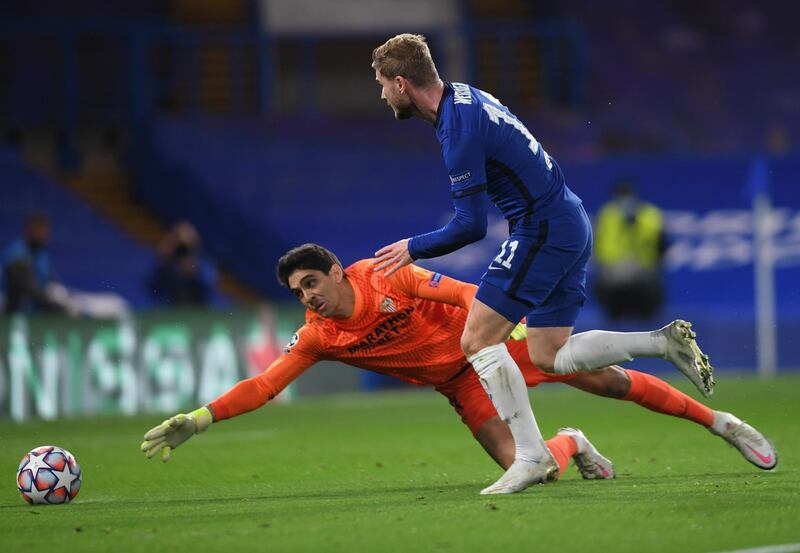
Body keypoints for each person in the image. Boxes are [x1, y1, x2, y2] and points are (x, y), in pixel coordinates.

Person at [369, 34, 713, 493]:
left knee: (476, 338)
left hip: (542, 226)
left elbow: (470, 226)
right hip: (565, 216)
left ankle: (531, 456)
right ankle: (660, 343)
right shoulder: (466, 96)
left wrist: (412, 247)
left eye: (381, 84)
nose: (381, 95)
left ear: (401, 82)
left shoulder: (459, 131)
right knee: (547, 355)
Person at [140, 245, 776, 490]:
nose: (306, 296)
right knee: (526, 471)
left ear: (336, 272)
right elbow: (264, 384)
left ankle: (723, 423)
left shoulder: (390, 276)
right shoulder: (317, 336)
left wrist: (511, 328)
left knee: (609, 382)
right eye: (296, 291)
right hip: (456, 382)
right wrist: (201, 418)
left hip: (490, 345)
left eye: (312, 282)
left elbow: (466, 294)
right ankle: (572, 444)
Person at [594, 180, 667, 319]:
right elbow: (598, 243)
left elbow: (660, 244)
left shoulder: (650, 215)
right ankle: (615, 313)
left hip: (644, 264)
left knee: (651, 282)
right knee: (605, 281)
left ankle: (646, 313)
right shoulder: (607, 215)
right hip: (614, 266)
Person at [0, 212, 76, 315]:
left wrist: (68, 299)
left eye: (45, 231)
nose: (43, 235)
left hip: (37, 314)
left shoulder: (42, 256)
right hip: (13, 314)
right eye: (39, 231)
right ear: (28, 231)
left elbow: (52, 281)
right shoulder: (16, 255)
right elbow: (29, 289)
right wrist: (53, 306)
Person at [147, 221, 218, 306]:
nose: (182, 252)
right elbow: (153, 288)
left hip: (199, 312)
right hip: (170, 311)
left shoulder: (202, 262)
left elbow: (209, 285)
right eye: (179, 247)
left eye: (184, 248)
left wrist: (195, 271)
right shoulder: (168, 265)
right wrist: (163, 259)